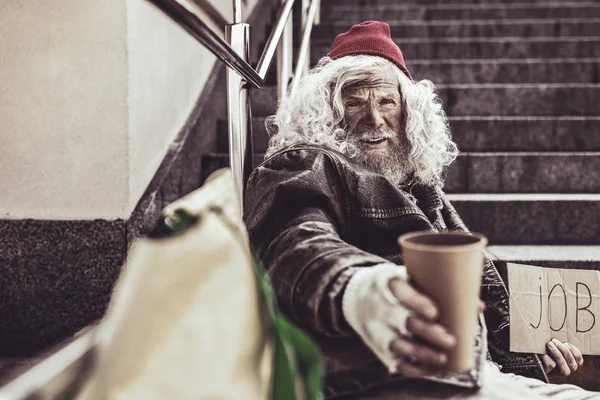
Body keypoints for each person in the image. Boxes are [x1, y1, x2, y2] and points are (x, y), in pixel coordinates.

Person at [243, 21, 598, 399]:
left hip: (473, 373)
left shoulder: (418, 185)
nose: (374, 119)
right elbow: (294, 244)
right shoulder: (307, 163)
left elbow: (482, 300)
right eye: (353, 102)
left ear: (408, 110)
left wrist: (533, 352)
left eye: (386, 101)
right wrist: (361, 290)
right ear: (327, 111)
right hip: (398, 377)